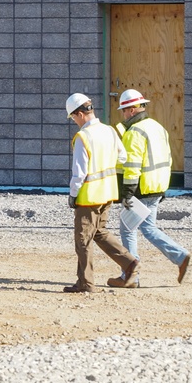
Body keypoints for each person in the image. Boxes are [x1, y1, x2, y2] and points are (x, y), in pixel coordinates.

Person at [109, 88, 191, 287]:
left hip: (140, 189)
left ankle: (130, 276)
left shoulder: (134, 132)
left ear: (132, 109)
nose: (123, 114)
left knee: (128, 230)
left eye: (124, 110)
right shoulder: (157, 127)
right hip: (156, 187)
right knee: (148, 228)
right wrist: (162, 188)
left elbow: (132, 166)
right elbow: (168, 159)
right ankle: (181, 258)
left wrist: (127, 192)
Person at [64, 92, 140, 293]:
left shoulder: (83, 137)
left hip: (89, 197)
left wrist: (73, 194)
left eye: (73, 117)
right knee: (99, 232)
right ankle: (130, 263)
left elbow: (79, 173)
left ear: (80, 114)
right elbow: (122, 158)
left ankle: (86, 283)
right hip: (108, 193)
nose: (74, 121)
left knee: (83, 240)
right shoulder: (109, 131)